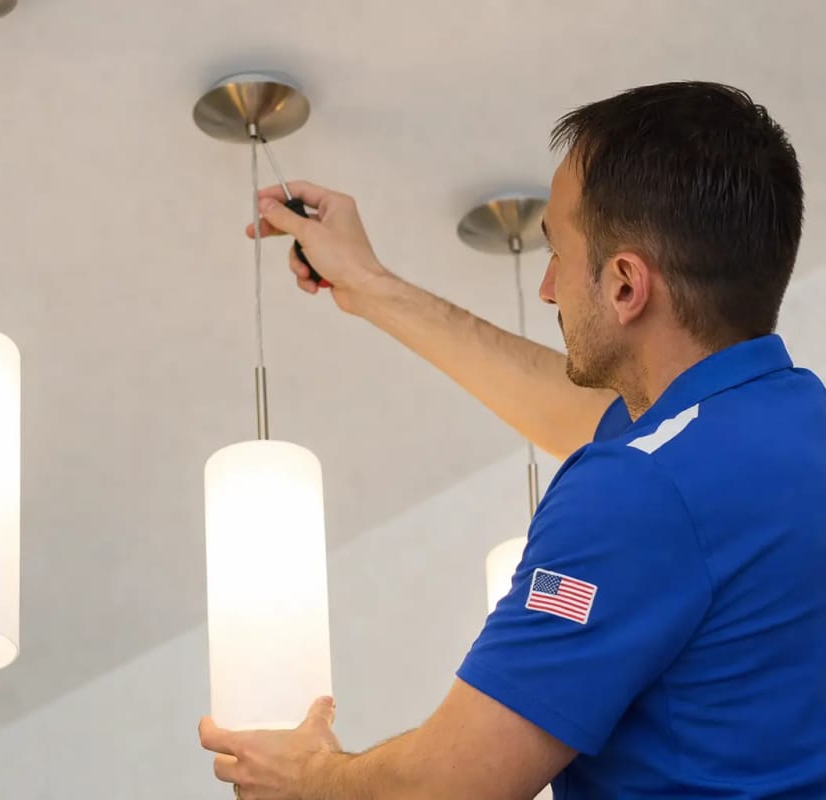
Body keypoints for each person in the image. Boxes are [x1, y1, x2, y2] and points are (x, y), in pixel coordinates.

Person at [198, 81, 826, 799]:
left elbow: (447, 787)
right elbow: (581, 415)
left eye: (559, 249)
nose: (549, 286)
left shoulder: (640, 489)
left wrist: (309, 777)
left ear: (625, 285)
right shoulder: (785, 430)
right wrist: (369, 284)